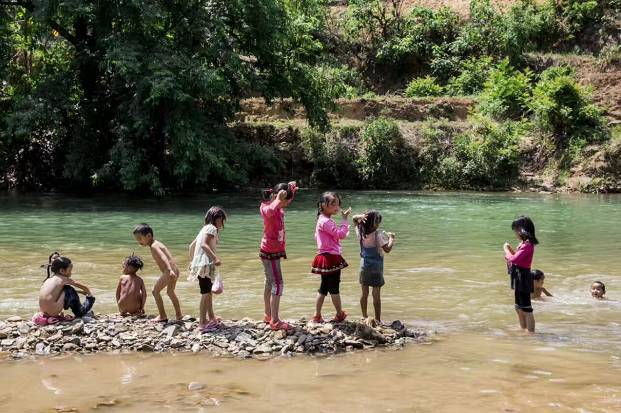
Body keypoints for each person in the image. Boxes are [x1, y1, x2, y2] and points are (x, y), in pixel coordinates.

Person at [259, 182, 298, 331]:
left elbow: (282, 202)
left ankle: (268, 315)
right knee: (278, 284)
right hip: (270, 253)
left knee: (270, 282)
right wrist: (278, 200)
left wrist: (291, 190)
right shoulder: (266, 207)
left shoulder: (278, 205)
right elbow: (269, 211)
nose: (287, 203)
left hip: (271, 251)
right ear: (276, 197)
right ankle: (275, 321)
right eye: (285, 200)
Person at [311, 192, 351, 323]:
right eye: (333, 203)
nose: (337, 207)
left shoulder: (321, 219)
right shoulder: (326, 221)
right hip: (331, 258)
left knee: (324, 288)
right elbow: (341, 235)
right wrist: (345, 220)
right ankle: (339, 314)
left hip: (324, 256)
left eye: (338, 204)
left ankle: (317, 315)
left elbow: (318, 237)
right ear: (323, 205)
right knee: (334, 288)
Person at [352, 210, 395, 325]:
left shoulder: (360, 232)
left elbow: (354, 219)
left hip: (364, 266)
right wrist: (391, 238)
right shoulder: (378, 235)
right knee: (376, 295)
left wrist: (360, 216)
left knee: (364, 292)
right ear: (375, 224)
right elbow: (387, 250)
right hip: (376, 268)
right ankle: (378, 319)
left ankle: (364, 316)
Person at [133, 223, 182, 322]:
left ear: (149, 236)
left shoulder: (154, 246)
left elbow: (163, 258)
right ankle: (179, 315)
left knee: (155, 291)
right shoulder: (156, 243)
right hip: (174, 270)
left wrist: (169, 270)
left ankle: (162, 315)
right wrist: (172, 270)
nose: (138, 241)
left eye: (140, 238)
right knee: (170, 292)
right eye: (137, 239)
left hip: (169, 271)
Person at [188, 206, 227, 332]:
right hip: (204, 265)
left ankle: (211, 317)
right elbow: (204, 245)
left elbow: (192, 246)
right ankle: (202, 323)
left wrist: (192, 261)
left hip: (200, 264)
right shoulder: (212, 228)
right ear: (217, 219)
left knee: (208, 291)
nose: (222, 223)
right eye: (222, 220)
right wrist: (215, 258)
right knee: (205, 293)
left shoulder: (204, 229)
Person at [503, 216, 539, 333]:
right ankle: (523, 329)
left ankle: (531, 334)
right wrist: (511, 249)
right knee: (518, 307)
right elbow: (518, 259)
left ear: (522, 230)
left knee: (527, 309)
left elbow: (513, 259)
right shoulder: (523, 244)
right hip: (518, 276)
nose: (515, 233)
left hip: (523, 277)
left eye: (516, 230)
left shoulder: (528, 245)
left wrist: (506, 249)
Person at [35, 256, 95, 324]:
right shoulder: (63, 279)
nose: (71, 273)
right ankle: (80, 312)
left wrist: (81, 292)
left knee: (68, 289)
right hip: (53, 311)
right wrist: (89, 294)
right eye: (69, 270)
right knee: (69, 289)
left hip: (44, 311)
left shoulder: (49, 279)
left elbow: (57, 293)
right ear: (62, 271)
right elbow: (83, 286)